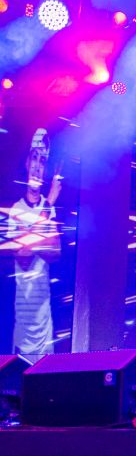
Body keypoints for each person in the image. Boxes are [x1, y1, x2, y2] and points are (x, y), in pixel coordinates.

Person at [7, 128, 61, 355]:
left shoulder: (48, 209)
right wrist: (48, 204)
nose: (38, 166)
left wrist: (32, 238)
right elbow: (23, 255)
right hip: (23, 323)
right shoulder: (16, 210)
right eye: (35, 158)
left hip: (44, 322)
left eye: (43, 161)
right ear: (27, 163)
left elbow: (55, 251)